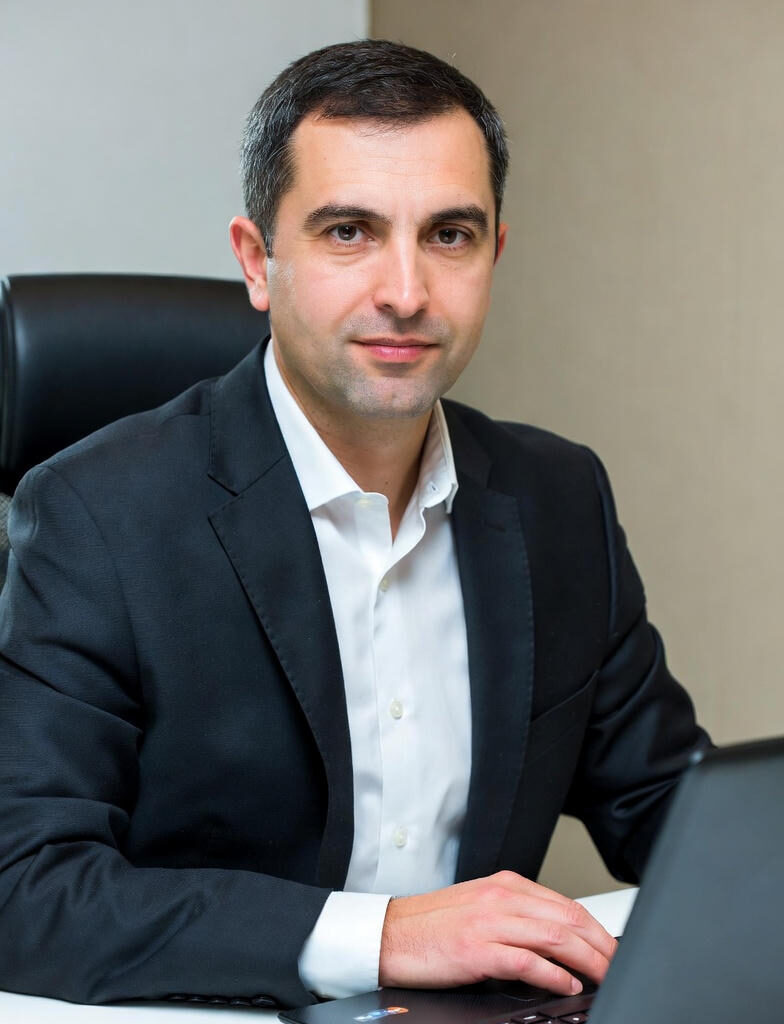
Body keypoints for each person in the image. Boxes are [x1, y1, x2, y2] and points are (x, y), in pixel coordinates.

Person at [0, 39, 709, 1009]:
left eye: (449, 235)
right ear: (258, 261)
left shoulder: (558, 498)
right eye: (349, 232)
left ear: (494, 253)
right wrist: (384, 935)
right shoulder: (95, 513)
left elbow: (679, 817)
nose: (407, 292)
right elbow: (26, 893)